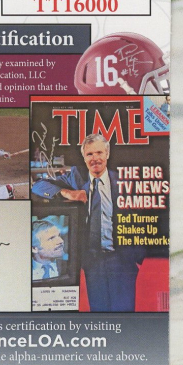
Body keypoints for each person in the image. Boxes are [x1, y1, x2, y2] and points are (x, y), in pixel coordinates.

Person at [59, 133, 142, 312]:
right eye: (89, 154)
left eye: (99, 153)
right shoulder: (76, 178)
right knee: (99, 314)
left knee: (125, 314)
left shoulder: (124, 181)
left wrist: (135, 258)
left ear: (107, 154)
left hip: (121, 261)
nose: (95, 158)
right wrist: (68, 193)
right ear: (84, 157)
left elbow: (141, 217)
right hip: (92, 262)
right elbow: (40, 185)